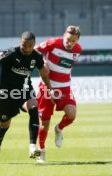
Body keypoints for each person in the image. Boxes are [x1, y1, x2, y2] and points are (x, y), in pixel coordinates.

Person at [0, 31, 51, 164]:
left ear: (34, 44)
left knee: (34, 109)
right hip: (7, 94)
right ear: (21, 42)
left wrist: (50, 89)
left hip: (25, 90)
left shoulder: (36, 56)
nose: (27, 49)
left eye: (30, 46)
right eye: (24, 45)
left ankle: (32, 147)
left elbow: (44, 74)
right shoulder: (11, 52)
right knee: (4, 125)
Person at [35, 26, 82, 163]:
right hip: (46, 87)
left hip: (65, 88)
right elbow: (35, 51)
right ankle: (41, 152)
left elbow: (66, 67)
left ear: (77, 40)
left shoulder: (78, 50)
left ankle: (59, 128)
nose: (70, 43)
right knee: (44, 124)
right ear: (63, 36)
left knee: (72, 114)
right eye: (68, 39)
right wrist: (43, 62)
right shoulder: (53, 43)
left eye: (73, 41)